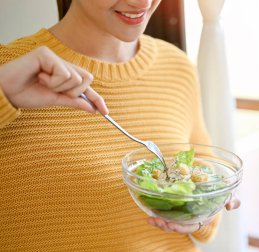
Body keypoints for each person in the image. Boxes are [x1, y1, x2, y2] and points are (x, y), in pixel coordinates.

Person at [0, 0, 240, 251]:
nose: (143, 3)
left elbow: (206, 177)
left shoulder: (177, 66)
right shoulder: (8, 70)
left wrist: (202, 210)